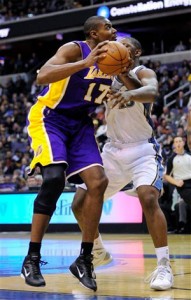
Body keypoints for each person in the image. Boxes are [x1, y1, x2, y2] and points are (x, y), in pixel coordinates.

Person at [20, 16, 118, 292]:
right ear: (93, 33)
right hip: (50, 118)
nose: (114, 30)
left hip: (81, 124)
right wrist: (85, 64)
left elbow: (131, 87)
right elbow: (42, 75)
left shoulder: (116, 58)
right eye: (108, 27)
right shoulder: (75, 49)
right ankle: (32, 258)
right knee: (53, 179)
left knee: (98, 181)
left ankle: (84, 259)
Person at [72, 37, 174, 291]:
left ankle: (164, 266)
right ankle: (98, 250)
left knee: (148, 197)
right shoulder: (105, 75)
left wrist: (129, 88)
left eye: (124, 45)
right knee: (78, 205)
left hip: (142, 149)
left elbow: (150, 91)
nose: (116, 47)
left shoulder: (143, 71)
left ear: (136, 52)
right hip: (113, 150)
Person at [164, 136, 191, 208]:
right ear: (174, 145)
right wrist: (176, 182)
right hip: (183, 185)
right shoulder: (171, 159)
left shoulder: (189, 155)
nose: (178, 143)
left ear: (183, 143)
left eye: (180, 141)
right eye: (176, 142)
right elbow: (167, 176)